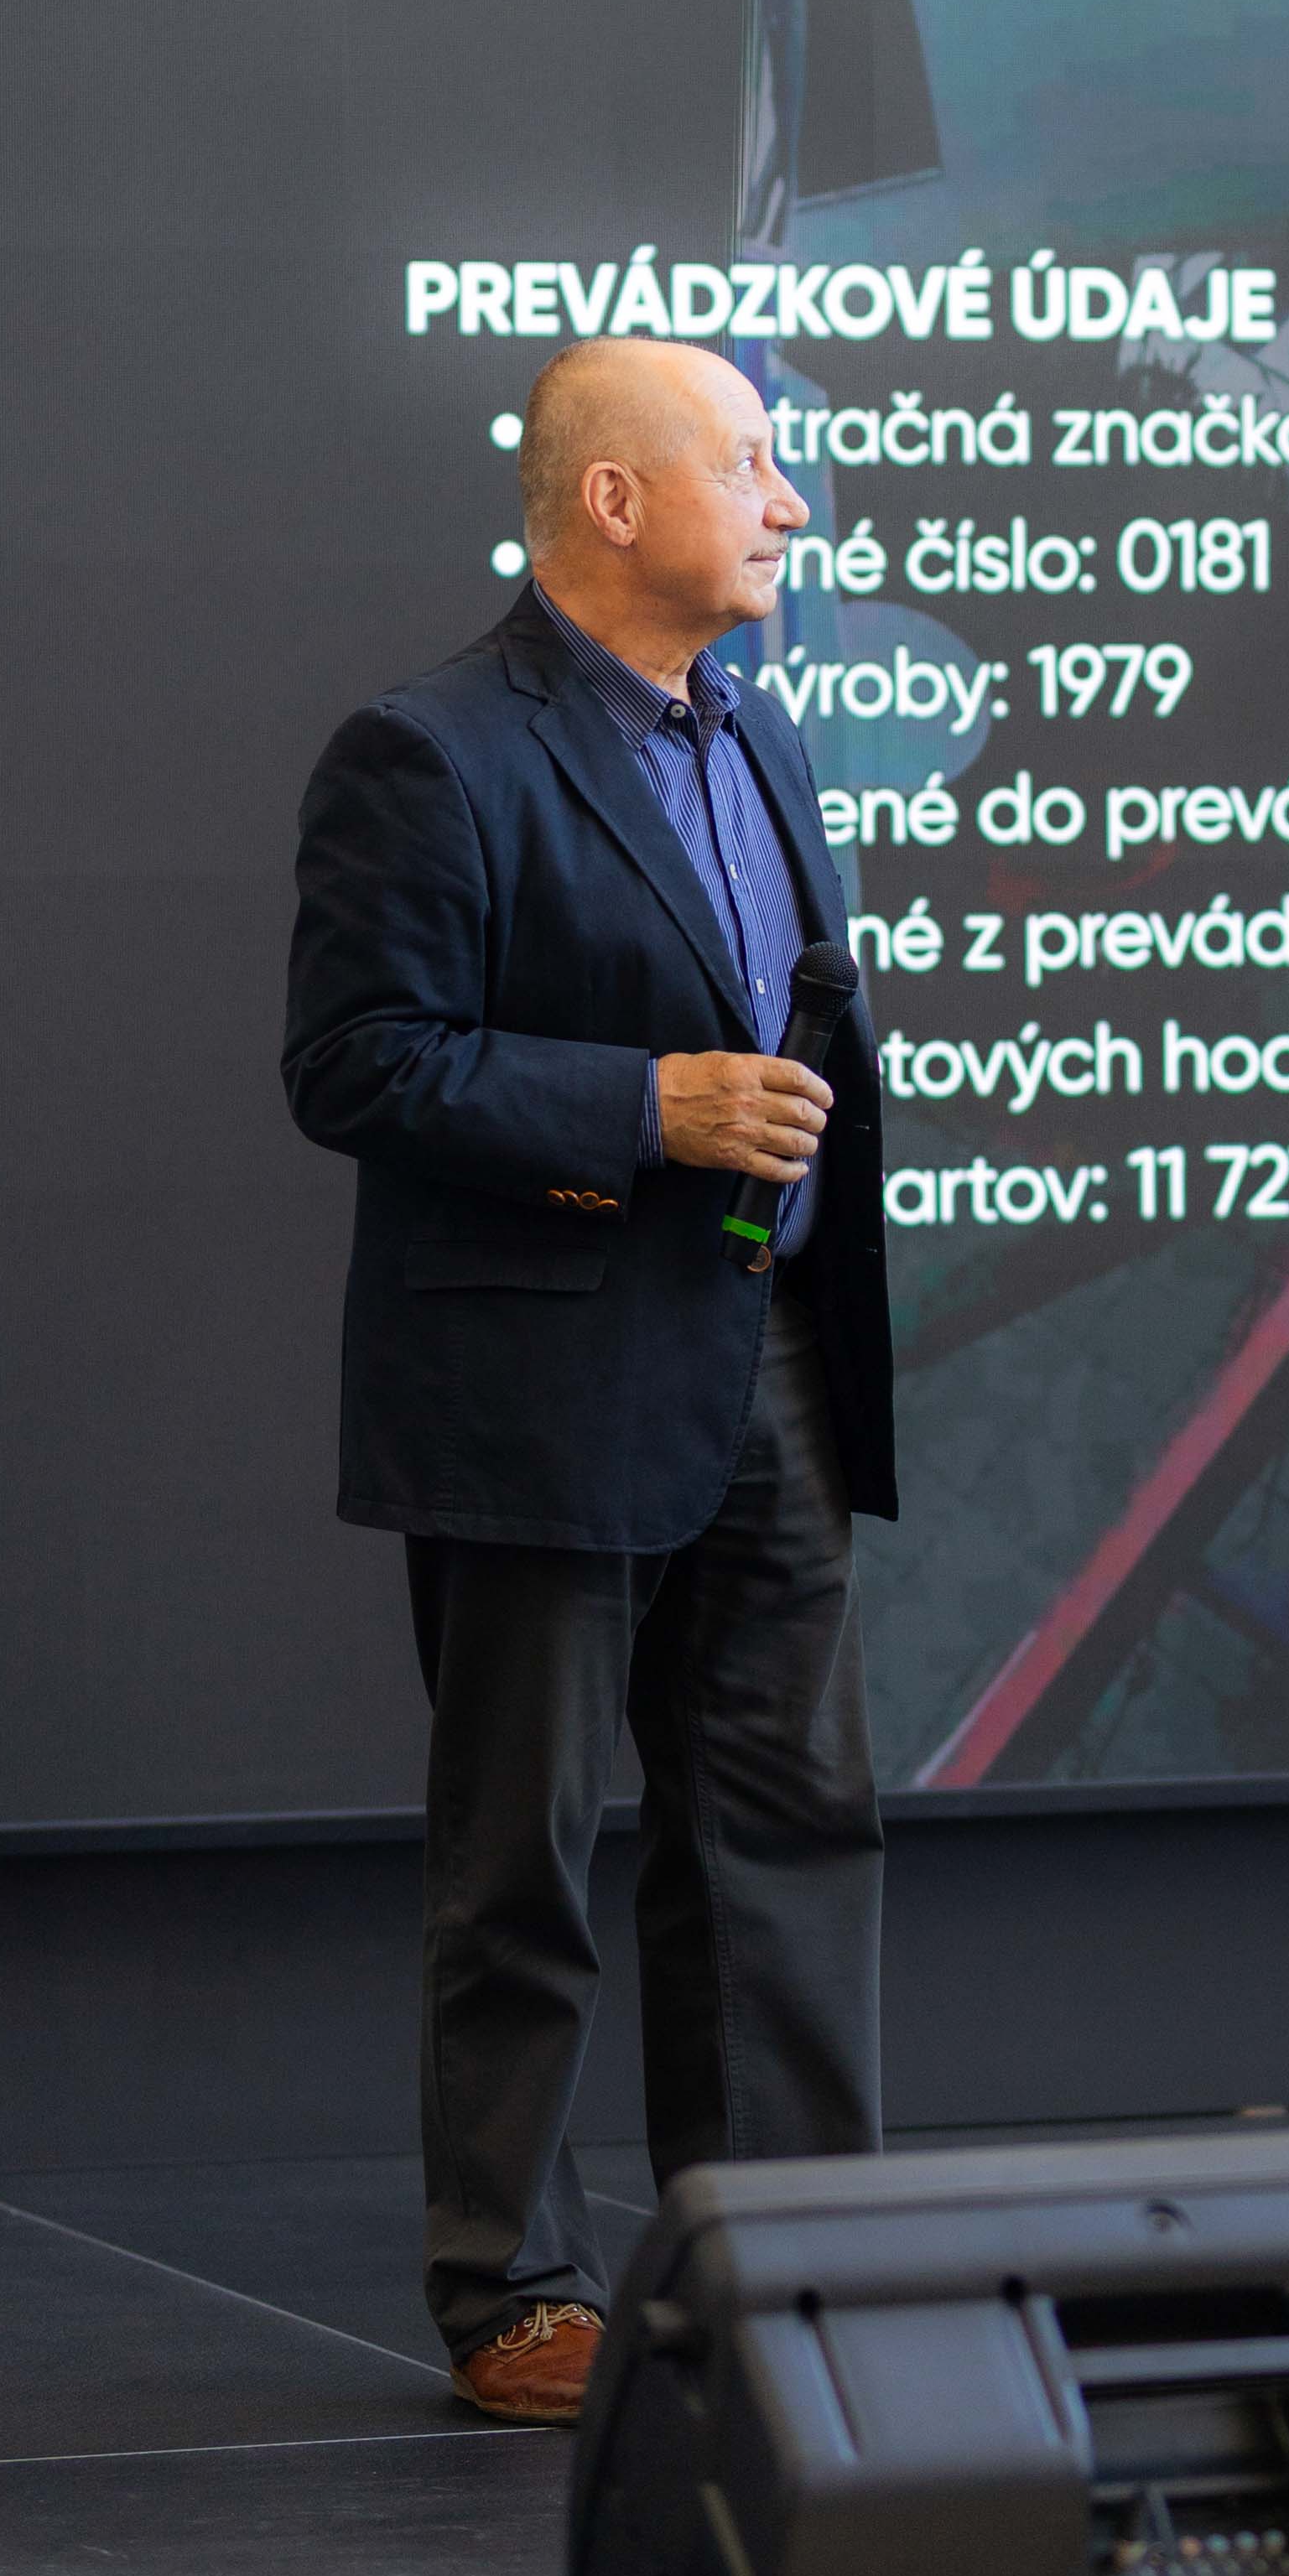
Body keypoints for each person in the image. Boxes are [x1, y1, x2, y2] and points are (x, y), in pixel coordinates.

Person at [283, 340, 897, 2423]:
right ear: (614, 499)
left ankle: (789, 2256)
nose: (789, 501)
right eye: (751, 462)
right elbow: (357, 1062)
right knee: (526, 1852)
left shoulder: (760, 726)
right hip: (542, 1385)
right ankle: (514, 2288)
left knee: (789, 1830)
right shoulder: (429, 748)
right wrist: (648, 1104)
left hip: (768, 1361)